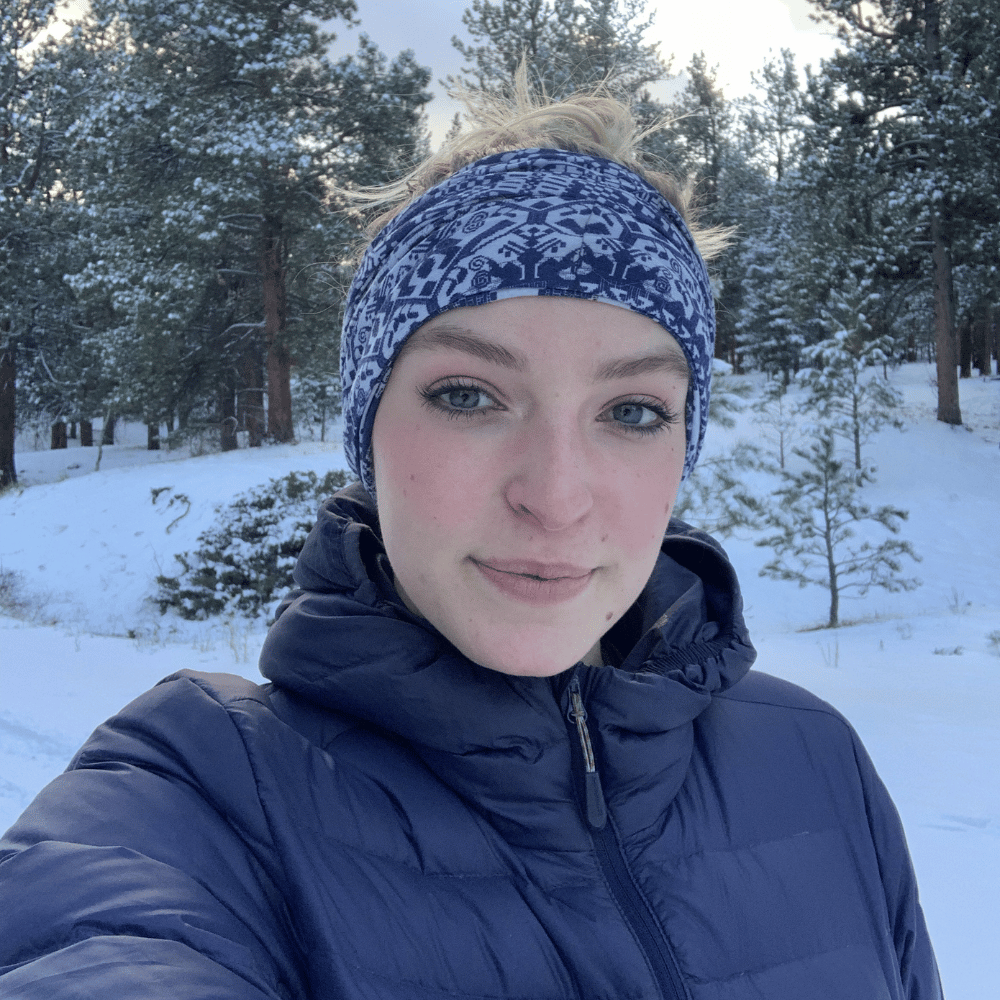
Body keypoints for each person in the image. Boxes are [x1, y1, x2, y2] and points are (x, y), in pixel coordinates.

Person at [0, 74, 942, 999]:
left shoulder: (816, 762)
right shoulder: (200, 791)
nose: (557, 497)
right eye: (468, 395)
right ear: (367, 429)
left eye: (634, 411)